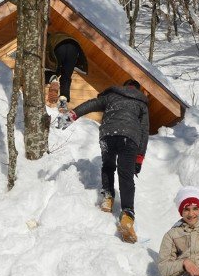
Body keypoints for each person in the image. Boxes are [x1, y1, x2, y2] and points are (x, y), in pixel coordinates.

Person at [61, 80, 149, 243]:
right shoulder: (141, 103)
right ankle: (127, 214)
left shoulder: (112, 95)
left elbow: (92, 104)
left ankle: (108, 197)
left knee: (108, 166)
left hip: (108, 134)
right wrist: (139, 158)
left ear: (124, 86)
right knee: (126, 175)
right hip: (129, 138)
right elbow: (144, 132)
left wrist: (72, 115)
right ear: (137, 89)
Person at [45, 32, 87, 104]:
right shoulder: (58, 35)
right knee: (66, 77)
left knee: (52, 71)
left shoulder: (46, 39)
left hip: (58, 46)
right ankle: (63, 100)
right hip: (74, 48)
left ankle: (53, 80)